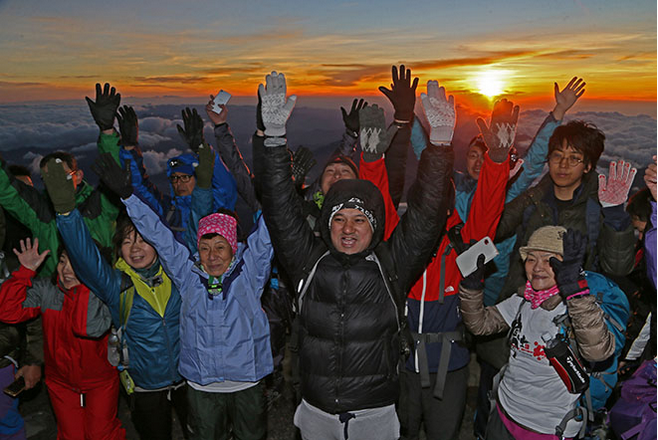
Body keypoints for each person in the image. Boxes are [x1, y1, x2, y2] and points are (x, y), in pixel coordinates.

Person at [257, 71, 453, 440]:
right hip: (316, 410)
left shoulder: (392, 264)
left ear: (375, 226)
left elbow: (427, 214)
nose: (348, 229)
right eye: (339, 219)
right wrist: (274, 139)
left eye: (360, 219)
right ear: (327, 225)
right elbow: (281, 209)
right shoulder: (308, 262)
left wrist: (440, 145)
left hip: (374, 414)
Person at [93, 137, 275, 439]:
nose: (212, 255)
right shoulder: (187, 274)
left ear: (234, 248)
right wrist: (128, 196)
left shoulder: (249, 273)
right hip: (201, 385)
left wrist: (280, 187)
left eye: (220, 247)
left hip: (247, 381)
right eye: (205, 247)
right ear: (197, 249)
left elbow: (268, 233)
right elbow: (159, 236)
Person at [370, 74, 513, 440]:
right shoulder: (398, 236)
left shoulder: (462, 237)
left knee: (442, 433)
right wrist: (373, 158)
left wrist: (497, 162)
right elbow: (377, 200)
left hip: (448, 365)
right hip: (401, 360)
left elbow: (488, 209)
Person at [44, 158, 188, 440]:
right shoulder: (116, 284)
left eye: (142, 240)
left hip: (187, 378)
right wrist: (66, 213)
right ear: (118, 249)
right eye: (126, 241)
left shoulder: (178, 274)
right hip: (146, 385)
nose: (135, 249)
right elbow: (85, 258)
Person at [459, 226, 616, 438]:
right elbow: (480, 324)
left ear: (566, 265)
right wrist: (471, 286)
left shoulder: (579, 308)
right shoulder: (524, 300)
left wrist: (575, 292)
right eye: (531, 259)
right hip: (505, 410)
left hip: (546, 426)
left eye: (549, 260)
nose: (537, 267)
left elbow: (598, 353)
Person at [0, 238, 124, 439]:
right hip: (61, 382)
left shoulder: (104, 294)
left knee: (101, 434)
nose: (66, 269)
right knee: (71, 435)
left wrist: (86, 283)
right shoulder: (48, 291)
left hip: (99, 381)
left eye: (76, 265)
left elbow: (87, 328)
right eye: (63, 261)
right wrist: (24, 272)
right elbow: (7, 311)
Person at [110, 104, 237, 249]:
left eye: (185, 177)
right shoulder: (168, 210)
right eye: (175, 178)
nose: (179, 183)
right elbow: (140, 189)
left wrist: (201, 148)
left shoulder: (218, 206)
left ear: (199, 177)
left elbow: (226, 185)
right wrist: (129, 148)